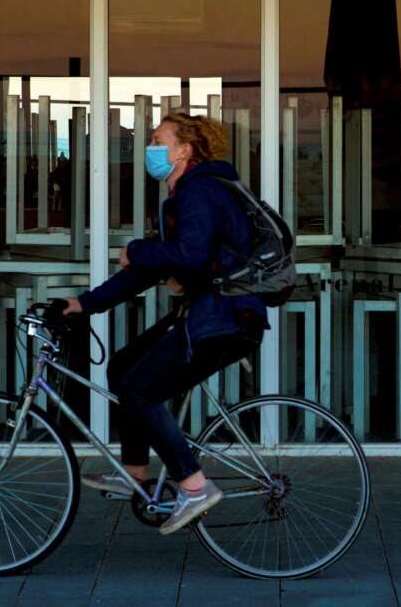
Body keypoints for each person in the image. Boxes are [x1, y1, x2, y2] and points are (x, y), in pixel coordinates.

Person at [62, 113, 266, 535]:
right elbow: (153, 267)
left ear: (184, 150)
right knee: (122, 368)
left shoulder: (200, 192)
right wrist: (84, 304)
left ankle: (194, 486)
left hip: (225, 318)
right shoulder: (184, 196)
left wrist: (138, 250)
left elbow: (187, 255)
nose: (150, 149)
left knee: (140, 391)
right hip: (209, 313)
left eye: (158, 140)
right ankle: (134, 472)